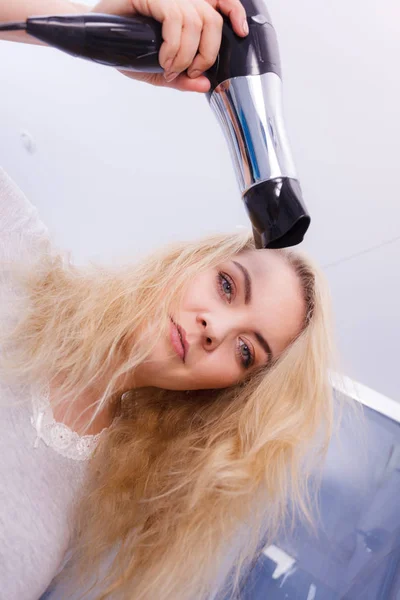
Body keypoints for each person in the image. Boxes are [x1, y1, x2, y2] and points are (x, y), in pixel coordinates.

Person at [0, 1, 339, 599]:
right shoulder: (17, 256)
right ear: (187, 265)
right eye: (228, 286)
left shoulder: (103, 506)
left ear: (226, 392)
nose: (215, 329)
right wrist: (84, 22)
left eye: (244, 350)